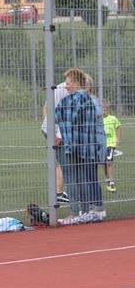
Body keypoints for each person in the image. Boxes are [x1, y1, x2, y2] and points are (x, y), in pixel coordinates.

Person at [54, 68, 105, 223]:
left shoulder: (68, 101)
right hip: (88, 146)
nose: (66, 86)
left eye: (68, 83)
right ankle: (86, 210)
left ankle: (76, 212)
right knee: (85, 178)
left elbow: (58, 118)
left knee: (71, 178)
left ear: (76, 83)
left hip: (72, 145)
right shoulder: (91, 100)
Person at [42, 79, 70, 204]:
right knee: (65, 161)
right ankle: (59, 193)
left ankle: (60, 192)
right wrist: (53, 128)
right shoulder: (64, 90)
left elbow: (45, 107)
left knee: (63, 161)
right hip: (57, 131)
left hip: (54, 129)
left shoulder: (59, 88)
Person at [102, 99, 121, 193]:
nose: (104, 111)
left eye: (105, 109)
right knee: (104, 163)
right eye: (102, 109)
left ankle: (112, 181)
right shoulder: (98, 120)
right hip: (102, 144)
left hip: (111, 143)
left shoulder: (113, 118)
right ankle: (108, 179)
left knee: (109, 161)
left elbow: (118, 127)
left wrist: (118, 139)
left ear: (108, 109)